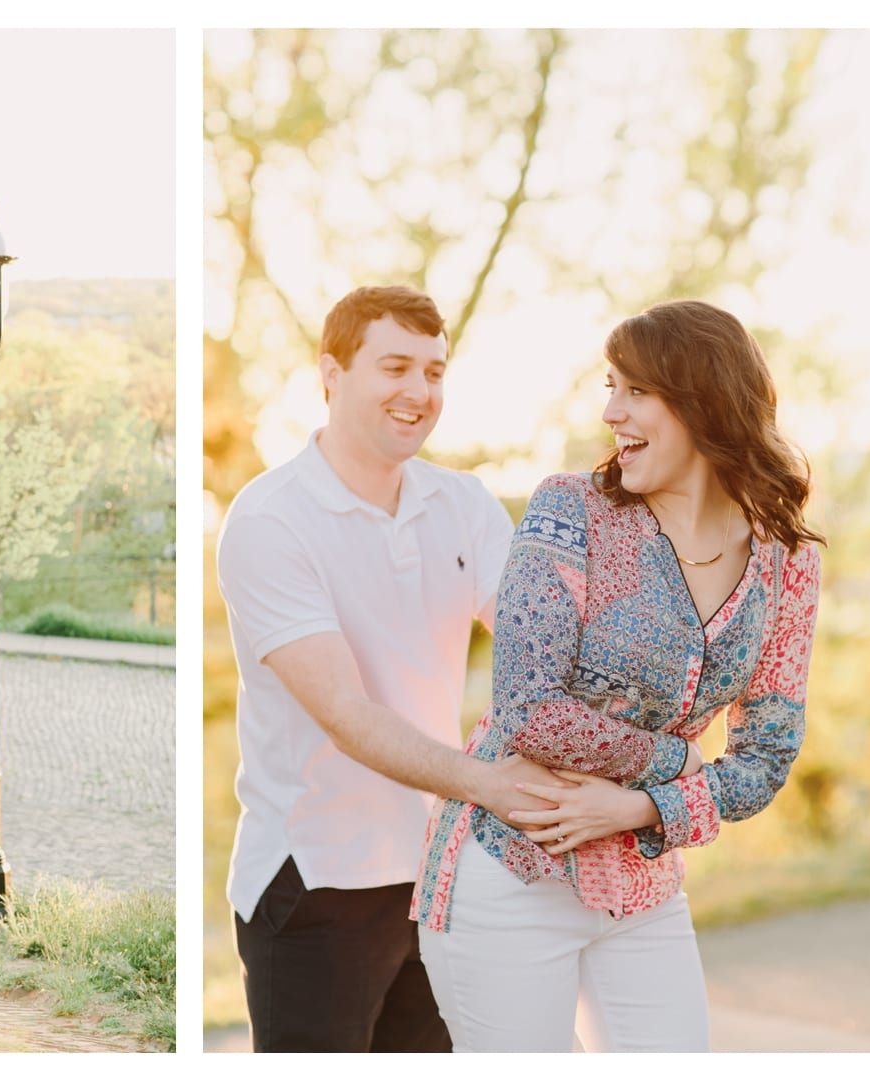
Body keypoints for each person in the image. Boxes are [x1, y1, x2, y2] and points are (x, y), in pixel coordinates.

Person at [412, 299, 824, 1052]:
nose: (611, 411)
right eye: (610, 387)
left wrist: (638, 809)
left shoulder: (787, 563)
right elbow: (529, 708)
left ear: (704, 400)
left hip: (642, 885)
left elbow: (765, 757)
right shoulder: (570, 511)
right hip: (512, 870)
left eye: (635, 390)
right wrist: (676, 762)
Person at [216, 284, 569, 1052]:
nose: (420, 391)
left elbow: (544, 646)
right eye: (396, 366)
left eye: (435, 372)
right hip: (315, 882)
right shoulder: (268, 521)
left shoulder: (465, 503)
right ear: (331, 374)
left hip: (439, 876)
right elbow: (344, 709)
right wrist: (489, 784)